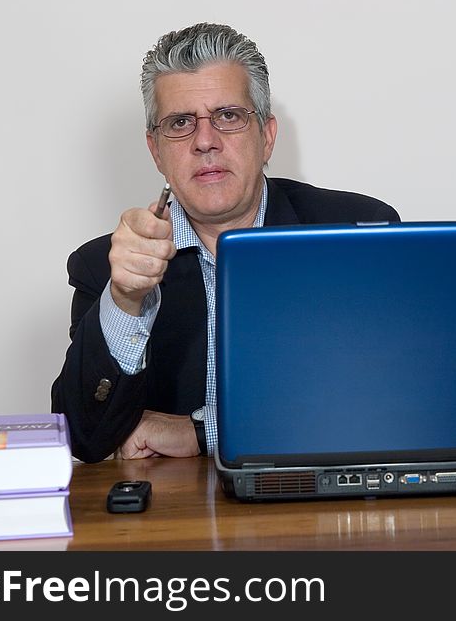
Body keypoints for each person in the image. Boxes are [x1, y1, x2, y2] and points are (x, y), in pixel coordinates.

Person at [51, 23, 400, 463]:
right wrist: (126, 299)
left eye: (228, 116)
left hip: (316, 513)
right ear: (156, 151)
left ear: (267, 136)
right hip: (175, 522)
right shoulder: (107, 268)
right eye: (180, 123)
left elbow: (381, 401)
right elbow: (84, 437)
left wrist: (203, 432)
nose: (205, 141)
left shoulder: (357, 231)